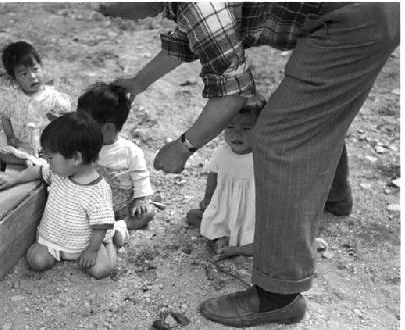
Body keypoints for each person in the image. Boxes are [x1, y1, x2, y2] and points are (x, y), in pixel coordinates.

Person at [97, 2, 399, 327]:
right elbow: (189, 40)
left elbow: (234, 94)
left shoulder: (198, 4)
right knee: (312, 115)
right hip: (367, 12)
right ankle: (334, 197)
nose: (107, 13)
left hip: (353, 18)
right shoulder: (188, 7)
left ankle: (277, 296)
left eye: (107, 6)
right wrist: (139, 82)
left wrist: (184, 146)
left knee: (280, 138)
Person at [0, 112, 128, 280]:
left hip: (87, 242)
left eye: (51, 157)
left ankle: (111, 240)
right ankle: (62, 251)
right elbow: (37, 171)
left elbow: (100, 225)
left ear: (76, 158)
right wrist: (14, 179)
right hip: (54, 238)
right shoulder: (58, 172)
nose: (48, 162)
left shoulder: (97, 191)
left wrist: (92, 250)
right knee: (36, 260)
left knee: (101, 270)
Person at [189, 95, 266, 259]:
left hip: (250, 212)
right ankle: (221, 237)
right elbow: (214, 174)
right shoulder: (222, 152)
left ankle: (236, 249)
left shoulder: (261, 157)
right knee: (193, 216)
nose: (236, 134)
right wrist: (208, 198)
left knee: (262, 241)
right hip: (226, 208)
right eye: (230, 127)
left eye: (246, 129)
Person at [77, 82, 156, 230]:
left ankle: (122, 225)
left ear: (107, 128)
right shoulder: (83, 142)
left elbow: (141, 178)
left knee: (148, 212)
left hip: (120, 207)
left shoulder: (130, 152)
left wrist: (140, 199)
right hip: (91, 203)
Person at [0, 40, 73, 169]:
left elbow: (66, 113)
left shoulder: (51, 95)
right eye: (24, 74)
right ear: (14, 79)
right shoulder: (11, 98)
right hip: (21, 142)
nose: (32, 76)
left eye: (35, 69)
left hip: (45, 144)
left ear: (41, 67)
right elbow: (5, 118)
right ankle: (25, 161)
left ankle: (39, 161)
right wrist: (10, 136)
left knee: (60, 153)